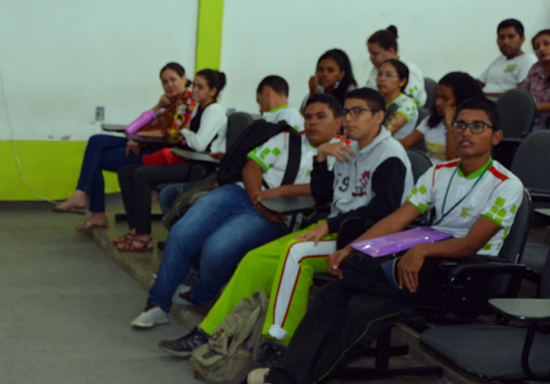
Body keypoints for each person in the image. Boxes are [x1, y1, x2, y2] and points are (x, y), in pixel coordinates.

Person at [223, 98, 523, 384]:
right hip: (420, 262)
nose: (466, 132)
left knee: (361, 308)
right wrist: (353, 248)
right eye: (460, 125)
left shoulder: (507, 185)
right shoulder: (440, 172)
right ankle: (284, 381)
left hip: (461, 276)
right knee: (331, 295)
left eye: (478, 127)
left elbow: (472, 243)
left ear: (496, 137)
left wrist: (419, 251)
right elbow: (398, 219)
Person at [158, 89, 413, 356]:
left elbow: (384, 211)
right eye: (347, 111)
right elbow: (325, 195)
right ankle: (207, 332)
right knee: (255, 260)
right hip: (338, 230)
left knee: (297, 254)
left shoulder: (389, 155)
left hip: (366, 238)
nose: (350, 118)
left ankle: (280, 345)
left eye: (358, 111)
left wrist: (329, 225)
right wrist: (321, 158)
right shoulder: (349, 148)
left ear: (379, 117)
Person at [130, 94, 340, 328]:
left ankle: (200, 294)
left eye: (321, 117)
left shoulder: (343, 152)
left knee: (217, 249)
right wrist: (256, 198)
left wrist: (273, 195)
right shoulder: (287, 139)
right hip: (242, 193)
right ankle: (157, 304)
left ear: (338, 121)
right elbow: (252, 167)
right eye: (308, 116)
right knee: (183, 231)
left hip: (282, 215)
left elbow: (321, 188)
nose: (312, 122)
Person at [115, 73, 291, 252]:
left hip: (202, 166)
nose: (194, 91)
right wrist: (186, 135)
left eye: (200, 87)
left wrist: (185, 133)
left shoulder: (214, 111)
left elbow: (198, 143)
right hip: (190, 159)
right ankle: (137, 229)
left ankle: (147, 236)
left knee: (142, 175)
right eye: (194, 86)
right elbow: (189, 138)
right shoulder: (198, 110)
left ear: (213, 91)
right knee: (127, 172)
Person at [56, 63, 195, 231]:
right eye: (164, 82)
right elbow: (133, 127)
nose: (169, 85)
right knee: (95, 141)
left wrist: (138, 139)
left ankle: (94, 210)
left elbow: (173, 133)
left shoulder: (188, 102)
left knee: (95, 159)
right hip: (142, 143)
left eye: (173, 80)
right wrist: (158, 107)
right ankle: (81, 196)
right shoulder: (168, 102)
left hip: (154, 150)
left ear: (184, 79)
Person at [402, 72, 485, 161]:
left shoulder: (470, 128)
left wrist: (450, 126)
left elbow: (453, 161)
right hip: (430, 172)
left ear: (461, 100)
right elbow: (405, 143)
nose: (438, 103)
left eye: (445, 99)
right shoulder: (433, 119)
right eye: (437, 97)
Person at [364, 26, 427, 107]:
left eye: (375, 54)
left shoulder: (410, 71)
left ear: (391, 51)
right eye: (370, 54)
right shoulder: (377, 68)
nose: (371, 58)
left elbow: (407, 103)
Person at [475, 19, 538, 98]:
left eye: (511, 37)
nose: (505, 42)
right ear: (497, 41)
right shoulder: (499, 59)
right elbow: (479, 83)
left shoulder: (528, 60)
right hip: (484, 101)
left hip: (504, 105)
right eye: (501, 37)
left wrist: (483, 96)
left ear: (522, 40)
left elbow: (521, 94)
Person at [376, 59, 419, 142]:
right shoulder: (376, 100)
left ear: (402, 81)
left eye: (389, 75)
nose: (381, 78)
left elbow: (386, 132)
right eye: (379, 74)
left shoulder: (407, 104)